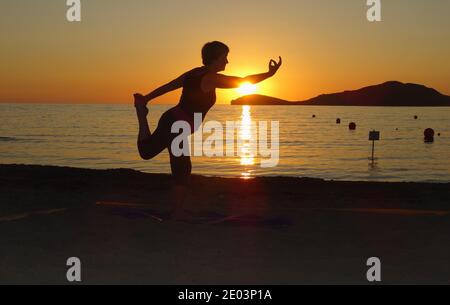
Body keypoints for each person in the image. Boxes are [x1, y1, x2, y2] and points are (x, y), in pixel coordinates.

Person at [133, 41, 282, 220]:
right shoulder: (211, 78)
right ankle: (177, 211)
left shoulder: (193, 72)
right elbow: (243, 81)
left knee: (147, 152)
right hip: (177, 125)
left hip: (172, 119)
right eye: (224, 57)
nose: (227, 62)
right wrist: (269, 74)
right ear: (215, 58)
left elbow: (169, 86)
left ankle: (141, 114)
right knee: (182, 167)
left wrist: (147, 98)